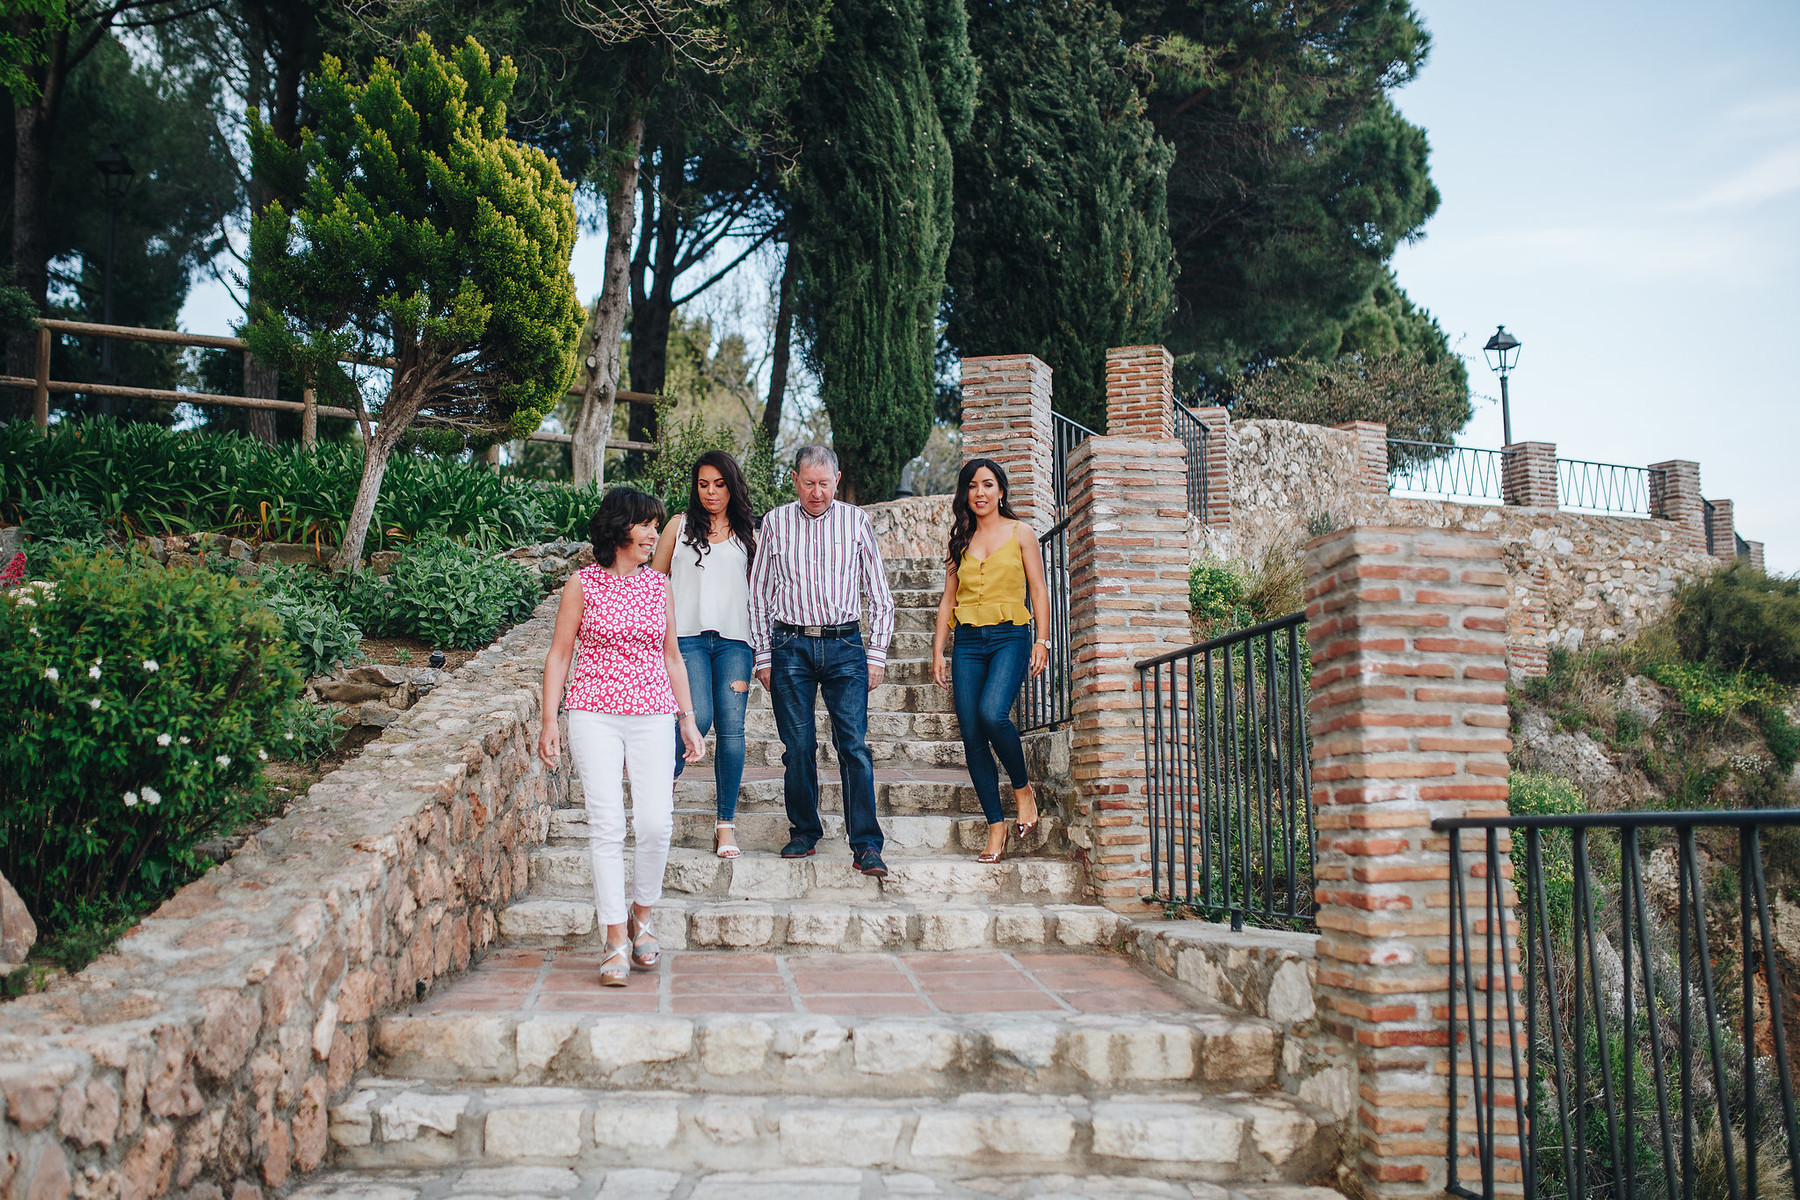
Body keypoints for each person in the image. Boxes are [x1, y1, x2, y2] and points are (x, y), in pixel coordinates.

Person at [539, 487, 705, 987]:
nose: (656, 533)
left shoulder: (659, 586)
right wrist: (550, 721)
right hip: (593, 713)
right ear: (619, 528)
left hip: (654, 713)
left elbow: (672, 657)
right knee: (607, 825)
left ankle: (642, 917)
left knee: (656, 824)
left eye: (657, 524)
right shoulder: (582, 585)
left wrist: (688, 718)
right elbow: (559, 655)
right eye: (646, 524)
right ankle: (614, 939)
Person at [749, 445, 896, 877]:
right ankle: (805, 831)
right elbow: (758, 593)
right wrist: (763, 655)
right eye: (809, 483)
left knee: (854, 747)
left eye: (825, 484)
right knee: (798, 747)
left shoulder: (856, 521)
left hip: (846, 647)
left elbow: (880, 596)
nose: (817, 492)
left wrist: (877, 655)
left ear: (836, 478)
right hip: (789, 647)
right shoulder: (775, 522)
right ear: (795, 480)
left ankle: (866, 845)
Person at [931, 459, 1050, 863]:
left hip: (1010, 637)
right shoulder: (959, 542)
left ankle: (1022, 790)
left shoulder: (1022, 533)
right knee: (971, 736)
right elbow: (949, 599)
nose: (979, 492)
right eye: (972, 486)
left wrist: (1043, 640)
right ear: (965, 494)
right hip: (966, 641)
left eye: (988, 484)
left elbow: (1037, 589)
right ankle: (995, 827)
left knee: (992, 713)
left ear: (1001, 490)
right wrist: (938, 650)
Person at [651, 450, 757, 860]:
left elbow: (759, 591)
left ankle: (724, 827)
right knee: (699, 717)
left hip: (735, 642)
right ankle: (662, 798)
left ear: (731, 485)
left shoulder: (751, 531)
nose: (711, 492)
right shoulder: (678, 527)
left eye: (719, 484)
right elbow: (653, 582)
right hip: (686, 640)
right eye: (703, 484)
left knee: (732, 729)